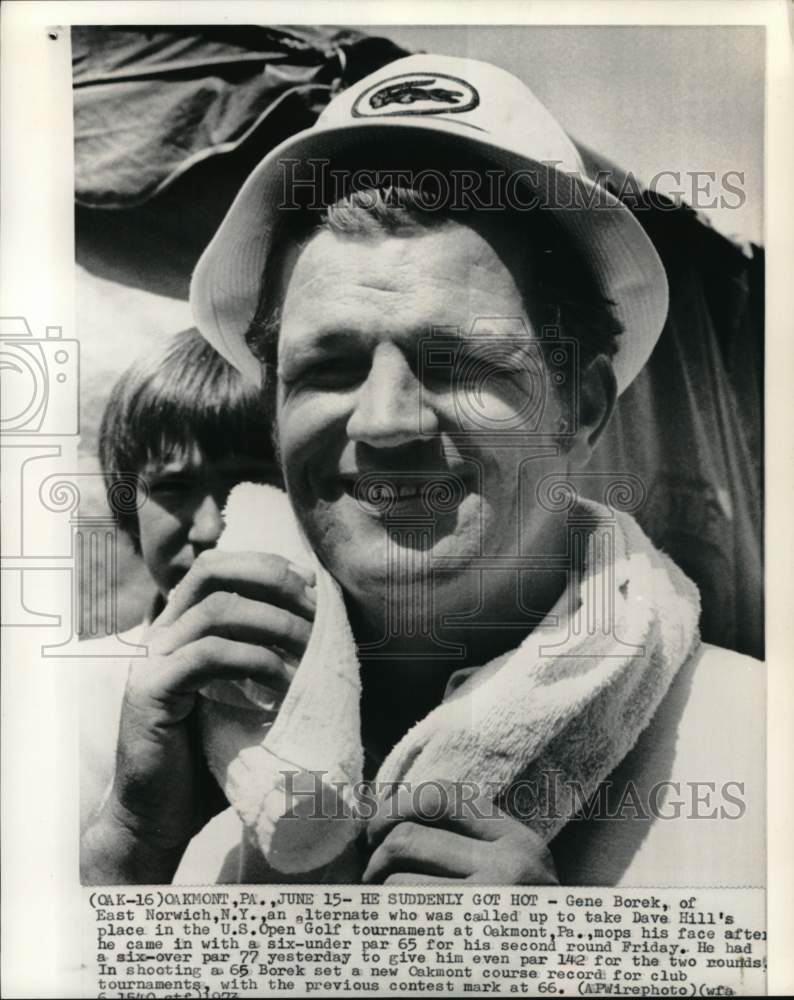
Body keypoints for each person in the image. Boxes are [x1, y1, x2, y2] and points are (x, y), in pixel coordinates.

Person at [81, 55, 763, 886]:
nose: (385, 421)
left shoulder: (755, 750)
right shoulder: (120, 727)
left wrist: (572, 954)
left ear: (581, 407)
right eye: (330, 369)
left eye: (459, 364)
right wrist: (130, 848)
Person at [79, 327, 284, 834]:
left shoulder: (376, 676)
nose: (209, 529)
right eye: (173, 487)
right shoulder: (70, 696)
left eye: (248, 480)